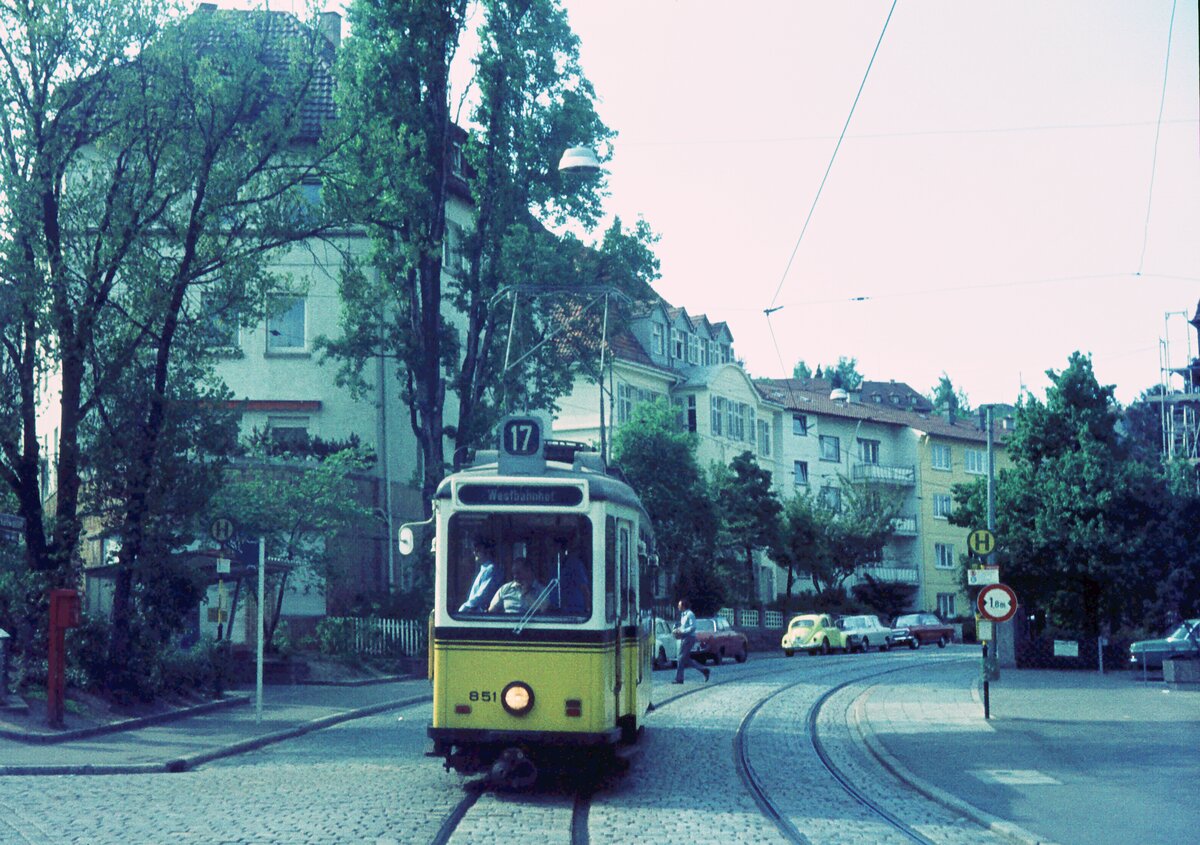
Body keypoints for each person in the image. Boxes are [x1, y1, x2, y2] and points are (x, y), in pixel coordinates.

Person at [458, 537, 502, 612]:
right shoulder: (484, 569)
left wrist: (465, 606)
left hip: (481, 615)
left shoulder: (491, 570)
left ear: (487, 551)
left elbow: (482, 595)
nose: (474, 553)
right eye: (474, 550)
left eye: (478, 550)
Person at [672, 598, 710, 684]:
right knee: (683, 658)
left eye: (679, 605)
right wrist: (677, 630)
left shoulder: (690, 614)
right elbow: (683, 627)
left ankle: (679, 679)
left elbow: (693, 627)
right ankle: (704, 670)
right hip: (684, 638)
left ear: (683, 606)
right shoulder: (683, 615)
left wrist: (682, 631)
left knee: (681, 658)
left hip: (689, 638)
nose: (678, 606)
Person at [552, 534, 590, 616]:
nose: (553, 552)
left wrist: (587, 609)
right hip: (555, 611)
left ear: (562, 550)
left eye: (555, 548)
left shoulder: (575, 564)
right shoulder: (554, 567)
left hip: (575, 611)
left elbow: (584, 588)